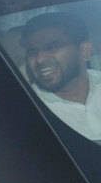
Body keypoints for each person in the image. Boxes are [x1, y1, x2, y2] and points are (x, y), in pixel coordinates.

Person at [21, 12, 101, 141]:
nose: (40, 59)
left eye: (51, 47)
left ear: (83, 51)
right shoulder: (27, 111)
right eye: (32, 52)